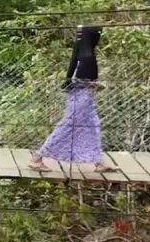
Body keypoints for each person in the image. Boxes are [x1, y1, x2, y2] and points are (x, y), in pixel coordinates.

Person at [30, 25, 118, 173]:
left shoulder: (80, 52)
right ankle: (36, 158)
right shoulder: (88, 57)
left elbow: (72, 77)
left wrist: (91, 85)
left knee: (92, 127)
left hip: (80, 97)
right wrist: (96, 85)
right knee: (67, 127)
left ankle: (99, 162)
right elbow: (80, 80)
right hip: (82, 99)